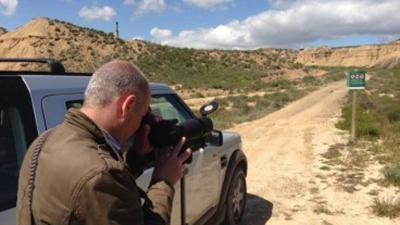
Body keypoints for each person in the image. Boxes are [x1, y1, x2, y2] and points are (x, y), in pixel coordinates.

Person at [16, 60, 191, 225]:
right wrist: (163, 181)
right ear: (128, 105)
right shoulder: (100, 173)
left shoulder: (44, 140)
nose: (141, 124)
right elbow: (98, 177)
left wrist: (137, 156)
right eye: (142, 114)